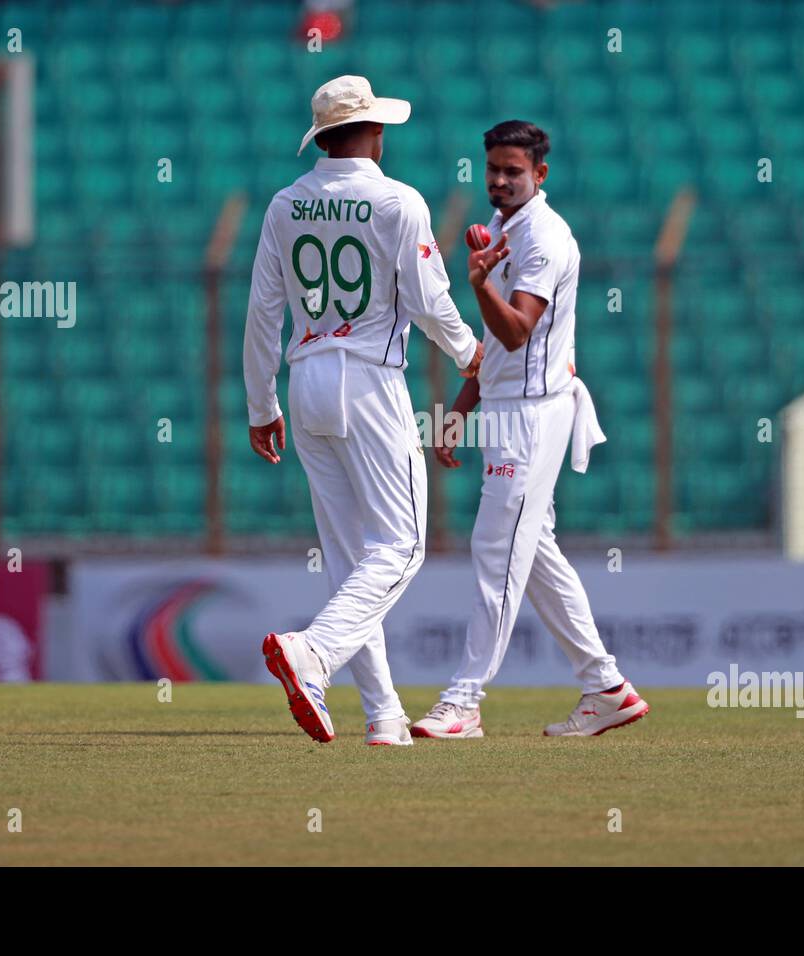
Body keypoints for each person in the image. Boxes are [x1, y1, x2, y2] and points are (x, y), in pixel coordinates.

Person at [243, 75, 483, 745]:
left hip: (305, 378)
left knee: (353, 561)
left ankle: (382, 716)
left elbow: (264, 312)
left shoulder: (285, 203)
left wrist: (261, 403)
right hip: (371, 381)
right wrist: (471, 357)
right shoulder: (396, 199)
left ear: (321, 136)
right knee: (401, 548)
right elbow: (432, 303)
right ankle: (311, 653)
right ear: (374, 132)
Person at [411, 120, 649, 739]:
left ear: (539, 175)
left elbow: (517, 329)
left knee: (496, 549)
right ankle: (606, 687)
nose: (499, 180)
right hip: (508, 408)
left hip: (534, 414)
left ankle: (463, 701)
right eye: (492, 168)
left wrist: (479, 281)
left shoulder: (543, 236)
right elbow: (497, 345)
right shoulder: (509, 232)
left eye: (513, 170)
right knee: (534, 553)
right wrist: (459, 412)